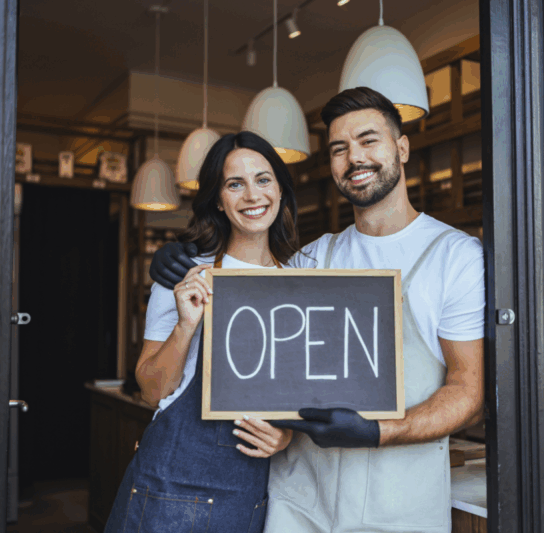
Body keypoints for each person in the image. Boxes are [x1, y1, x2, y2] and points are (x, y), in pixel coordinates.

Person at [150, 87, 486, 532]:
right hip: (297, 506)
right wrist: (179, 256)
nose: (355, 158)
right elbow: (245, 282)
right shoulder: (312, 257)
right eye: (339, 149)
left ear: (401, 148)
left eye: (369, 141)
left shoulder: (455, 256)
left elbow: (469, 390)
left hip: (400, 509)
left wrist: (378, 431)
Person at [104, 131, 297, 533]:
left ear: (280, 189)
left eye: (263, 179)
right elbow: (151, 390)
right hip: (170, 489)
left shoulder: (303, 283)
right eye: (234, 184)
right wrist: (186, 325)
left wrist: (288, 436)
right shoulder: (185, 276)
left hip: (252, 492)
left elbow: (307, 391)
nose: (251, 195)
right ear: (218, 201)